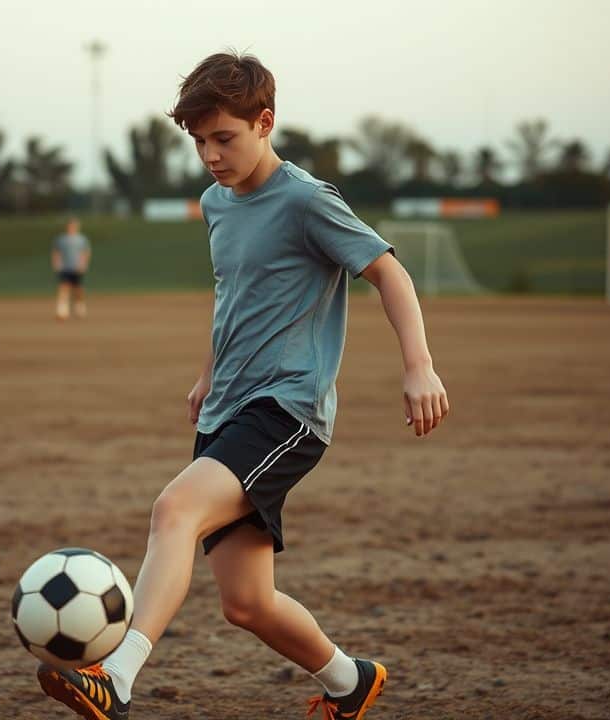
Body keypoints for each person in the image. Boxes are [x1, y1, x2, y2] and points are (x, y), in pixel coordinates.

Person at [36, 51, 449, 720]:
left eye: (223, 137)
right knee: (246, 603)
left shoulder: (308, 200)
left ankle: (117, 677)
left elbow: (389, 274)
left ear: (265, 122)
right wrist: (207, 376)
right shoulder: (215, 204)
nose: (210, 155)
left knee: (173, 510)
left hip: (286, 410)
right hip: (229, 408)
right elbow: (233, 297)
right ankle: (352, 681)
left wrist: (419, 365)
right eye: (198, 141)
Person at [52, 217, 91, 320]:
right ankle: (62, 311)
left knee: (78, 289)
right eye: (70, 225)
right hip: (65, 267)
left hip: (77, 267)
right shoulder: (61, 239)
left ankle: (80, 308)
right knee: (63, 288)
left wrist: (83, 264)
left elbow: (85, 252)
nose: (72, 227)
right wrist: (56, 263)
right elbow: (56, 252)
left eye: (74, 226)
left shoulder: (81, 239)